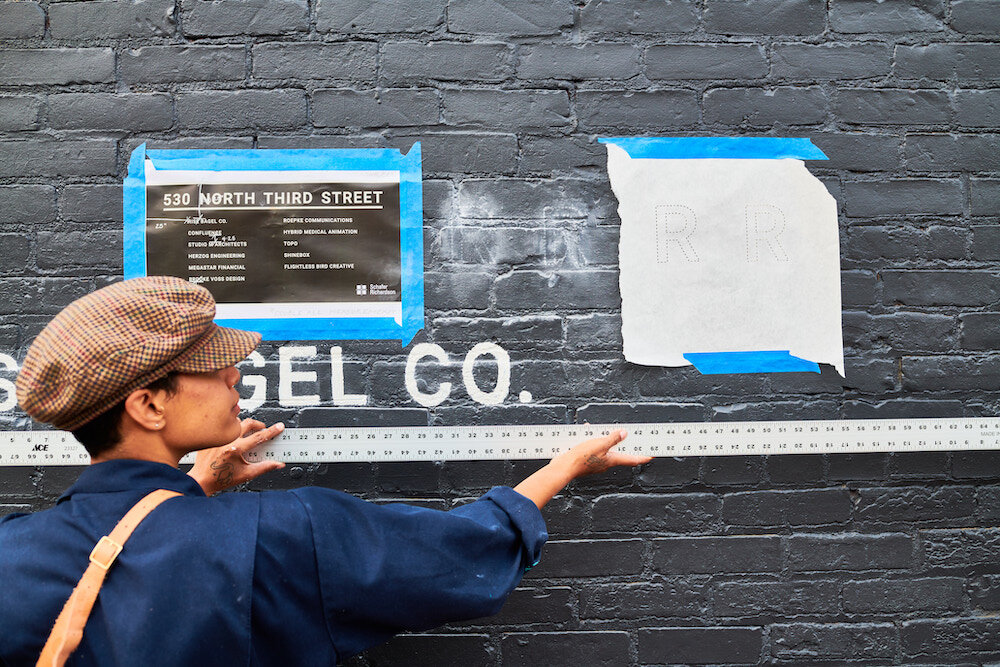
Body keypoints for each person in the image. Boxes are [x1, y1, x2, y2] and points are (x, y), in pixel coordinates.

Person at [0, 276, 649, 666]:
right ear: (147, 403)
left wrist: (189, 492)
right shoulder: (282, 536)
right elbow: (459, 552)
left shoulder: (13, 554)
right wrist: (565, 465)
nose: (233, 372)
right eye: (209, 364)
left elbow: (132, 577)